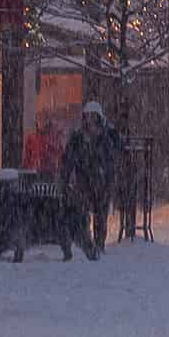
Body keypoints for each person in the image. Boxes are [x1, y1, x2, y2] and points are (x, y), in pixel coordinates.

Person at [63, 101, 124, 258]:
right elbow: (68, 157)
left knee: (100, 213)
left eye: (92, 117)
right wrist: (66, 176)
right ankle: (87, 241)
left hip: (102, 180)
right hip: (84, 179)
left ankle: (99, 243)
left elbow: (116, 153)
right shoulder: (78, 136)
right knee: (83, 212)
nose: (90, 120)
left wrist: (109, 171)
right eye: (87, 117)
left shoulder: (108, 134)